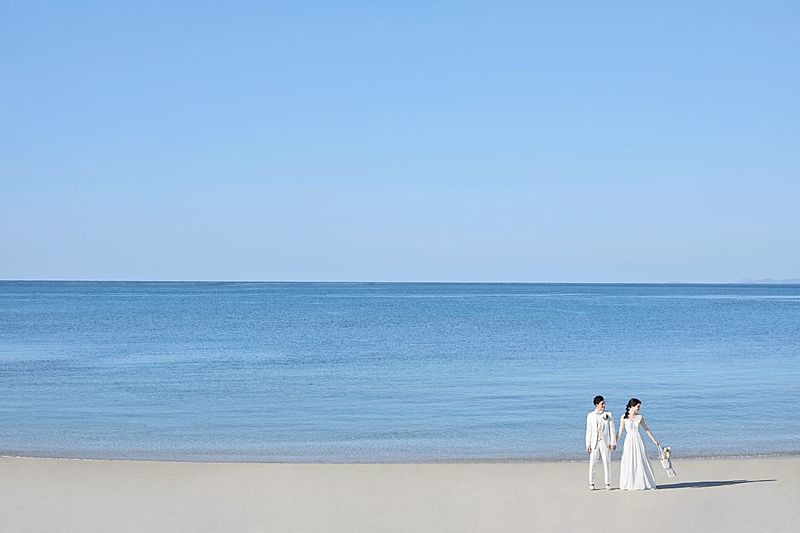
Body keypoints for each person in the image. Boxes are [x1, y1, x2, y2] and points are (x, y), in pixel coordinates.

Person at [617, 398, 660, 490]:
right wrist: (614, 442)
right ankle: (629, 482)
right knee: (629, 460)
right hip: (629, 441)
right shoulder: (623, 417)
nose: (639, 408)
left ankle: (641, 482)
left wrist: (654, 441)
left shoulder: (639, 417)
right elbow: (620, 432)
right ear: (632, 406)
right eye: (638, 406)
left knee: (641, 460)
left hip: (638, 440)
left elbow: (646, 429)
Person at [585, 395, 616, 490]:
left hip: (605, 442)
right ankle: (592, 483)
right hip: (594, 442)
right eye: (602, 403)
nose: (604, 405)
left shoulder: (608, 415)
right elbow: (589, 430)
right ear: (596, 404)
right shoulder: (590, 415)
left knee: (607, 462)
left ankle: (608, 483)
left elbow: (612, 429)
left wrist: (613, 442)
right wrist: (588, 444)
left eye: (604, 403)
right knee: (592, 463)